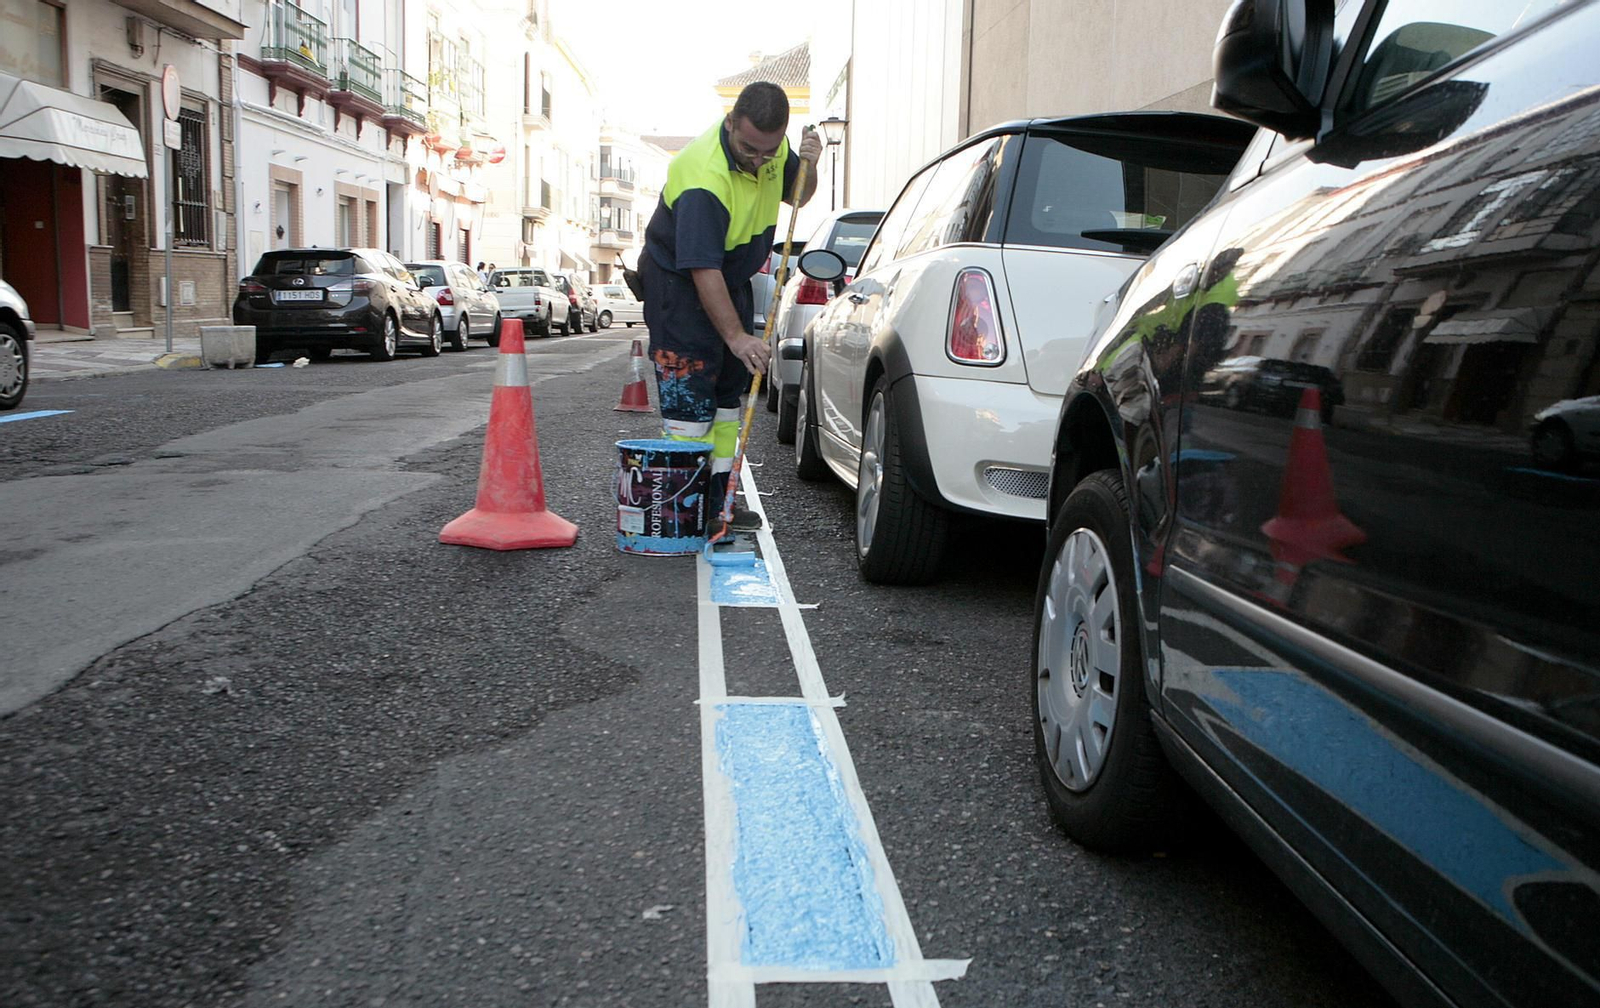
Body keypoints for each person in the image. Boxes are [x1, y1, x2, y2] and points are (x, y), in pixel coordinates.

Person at [640, 81, 820, 535]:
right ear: (730, 123)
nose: (758, 161)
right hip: (678, 286)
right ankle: (681, 508)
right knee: (690, 401)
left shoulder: (771, 150)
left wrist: (811, 164)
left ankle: (718, 503)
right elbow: (702, 269)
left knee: (725, 396)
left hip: (731, 278)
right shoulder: (705, 178)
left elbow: (799, 195)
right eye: (748, 149)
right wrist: (737, 337)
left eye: (768, 151)